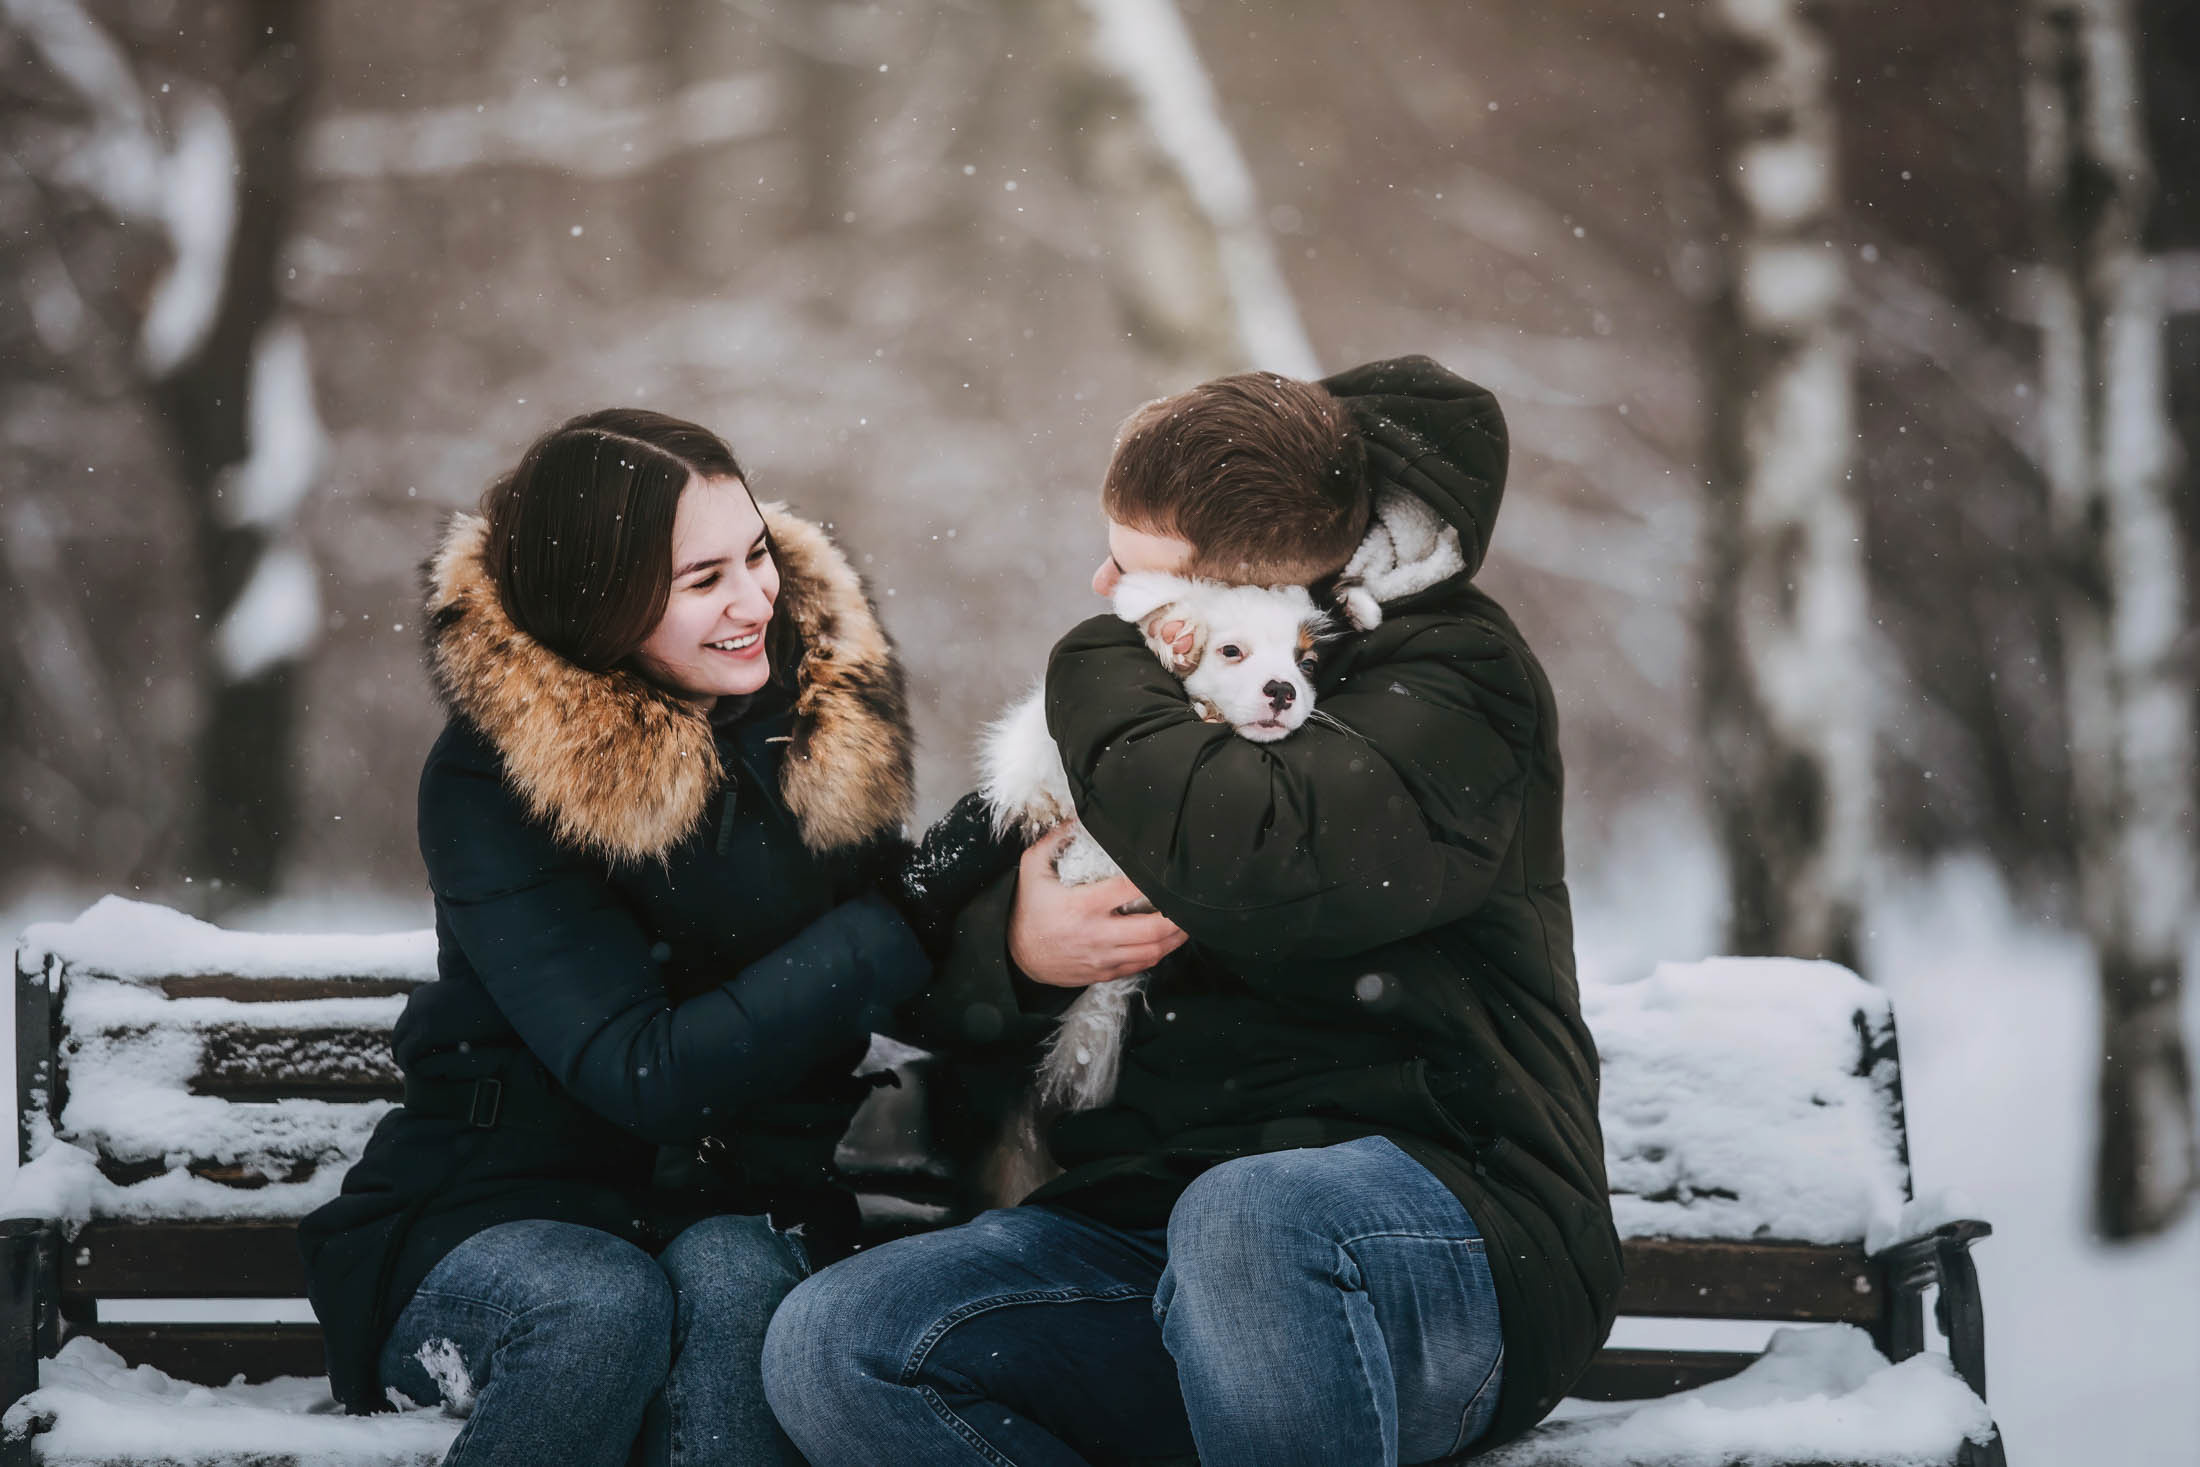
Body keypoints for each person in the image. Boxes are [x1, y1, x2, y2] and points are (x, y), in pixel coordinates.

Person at [762, 358, 1623, 1465]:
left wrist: (1097, 666)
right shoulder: (1160, 685)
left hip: (1452, 1233)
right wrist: (1022, 956)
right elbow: (916, 927)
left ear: (1246, 586)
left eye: (1130, 567)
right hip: (1148, 1228)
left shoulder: (1458, 676)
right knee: (841, 1342)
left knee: (1253, 1220)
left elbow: (1257, 860)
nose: (1100, 587)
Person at [300, 409, 1007, 1466]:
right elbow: (642, 1070)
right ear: (602, 599)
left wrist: (1019, 927)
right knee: (601, 1306)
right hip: (492, 1217)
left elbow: (892, 976)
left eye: (755, 554)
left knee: (730, 1290)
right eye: (701, 579)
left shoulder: (814, 723)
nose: (753, 601)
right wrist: (906, 912)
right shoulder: (497, 770)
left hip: (747, 1201)